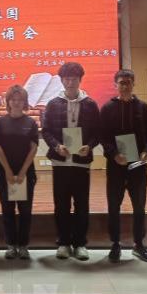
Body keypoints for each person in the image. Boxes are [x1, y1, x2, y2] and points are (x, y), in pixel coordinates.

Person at [41, 62, 100, 260]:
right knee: (61, 204)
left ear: (80, 80)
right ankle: (64, 243)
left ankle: (80, 243)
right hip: (60, 162)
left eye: (74, 78)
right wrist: (57, 146)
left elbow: (97, 132)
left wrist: (89, 146)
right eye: (66, 79)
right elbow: (46, 131)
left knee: (82, 204)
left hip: (81, 162)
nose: (70, 82)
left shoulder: (90, 104)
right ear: (61, 80)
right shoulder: (53, 104)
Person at [100, 69, 147, 264]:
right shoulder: (107, 108)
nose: (125, 86)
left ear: (134, 84)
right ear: (115, 84)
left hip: (138, 166)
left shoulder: (143, 107)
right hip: (116, 165)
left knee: (139, 206)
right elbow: (103, 137)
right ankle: (115, 244)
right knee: (113, 206)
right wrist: (114, 154)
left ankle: (139, 245)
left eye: (128, 82)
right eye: (121, 83)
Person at [0, 84, 38, 260]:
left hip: (26, 173)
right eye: (13, 99)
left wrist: (23, 171)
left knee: (25, 211)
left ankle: (23, 245)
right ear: (8, 101)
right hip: (5, 173)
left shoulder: (31, 122)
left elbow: (33, 147)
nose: (17, 102)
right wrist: (9, 171)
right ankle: (11, 245)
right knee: (8, 210)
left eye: (20, 100)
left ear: (25, 102)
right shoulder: (1, 122)